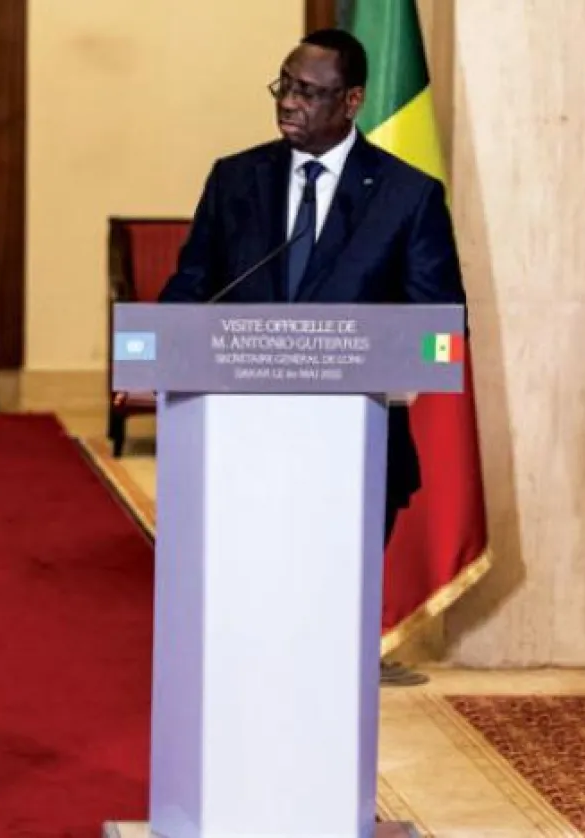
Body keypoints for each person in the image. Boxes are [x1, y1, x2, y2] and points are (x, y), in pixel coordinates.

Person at [158, 29, 465, 682]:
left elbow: (436, 321)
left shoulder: (407, 196)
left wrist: (391, 361)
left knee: (325, 634)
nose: (289, 104)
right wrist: (159, 349)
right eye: (285, 86)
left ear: (352, 100)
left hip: (354, 445)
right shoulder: (236, 178)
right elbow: (191, 287)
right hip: (240, 439)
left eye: (310, 92)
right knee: (246, 633)